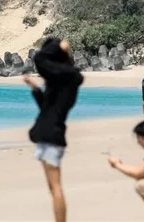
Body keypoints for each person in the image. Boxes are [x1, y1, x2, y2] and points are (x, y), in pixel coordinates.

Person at [23, 38, 84, 222]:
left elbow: (40, 58)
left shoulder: (68, 77)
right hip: (46, 134)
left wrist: (59, 46)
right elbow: (46, 108)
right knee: (52, 187)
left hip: (52, 135)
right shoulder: (61, 81)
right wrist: (35, 89)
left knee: (56, 187)